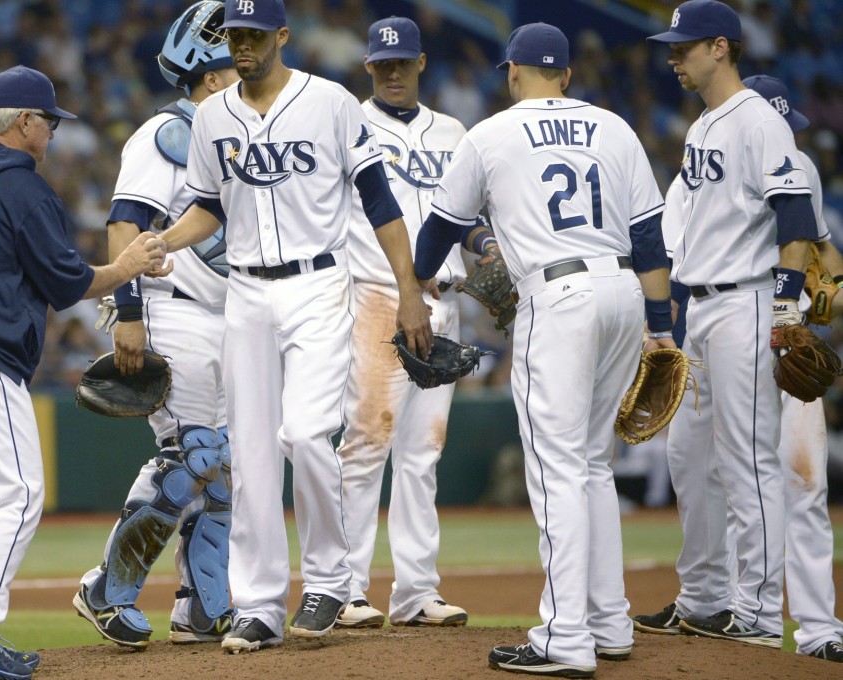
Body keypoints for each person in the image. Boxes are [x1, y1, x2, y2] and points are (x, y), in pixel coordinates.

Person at [153, 0, 433, 654]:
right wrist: (160, 241)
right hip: (245, 290)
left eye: (254, 34)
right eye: (234, 35)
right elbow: (206, 207)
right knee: (250, 454)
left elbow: (380, 199)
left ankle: (331, 577)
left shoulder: (330, 102)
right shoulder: (213, 115)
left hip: (317, 282)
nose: (242, 46)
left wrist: (408, 287)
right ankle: (259, 606)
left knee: (305, 433)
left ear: (280, 35)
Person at [413, 22, 673, 677]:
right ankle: (609, 622)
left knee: (556, 469)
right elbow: (648, 240)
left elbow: (435, 235)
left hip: (556, 300)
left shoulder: (491, 133)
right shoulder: (614, 127)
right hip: (621, 294)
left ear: (511, 73)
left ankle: (565, 637)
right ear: (567, 75)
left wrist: (432, 269)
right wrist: (663, 326)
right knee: (590, 466)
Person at [0, 65, 166, 680]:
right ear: (23, 121)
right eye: (47, 122)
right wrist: (126, 263)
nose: (51, 134)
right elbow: (69, 283)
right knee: (19, 495)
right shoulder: (22, 186)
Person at [633, 0, 819, 650]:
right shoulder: (703, 126)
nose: (672, 58)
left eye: (683, 47)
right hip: (702, 310)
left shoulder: (759, 123)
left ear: (720, 46)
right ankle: (708, 598)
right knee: (688, 456)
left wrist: (787, 307)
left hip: (744, 301)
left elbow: (795, 218)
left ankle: (761, 614)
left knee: (748, 462)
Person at [73, 1, 241, 649]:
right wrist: (130, 311)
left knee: (226, 470)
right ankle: (105, 589)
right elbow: (126, 220)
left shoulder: (238, 134)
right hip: (171, 309)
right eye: (237, 61)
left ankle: (203, 606)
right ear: (213, 74)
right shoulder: (166, 131)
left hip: (228, 318)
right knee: (191, 456)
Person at [334, 16, 477, 631]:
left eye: (403, 62)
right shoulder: (346, 125)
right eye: (382, 64)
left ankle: (417, 592)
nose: (393, 72)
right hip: (374, 296)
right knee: (367, 443)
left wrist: (489, 248)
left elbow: (471, 213)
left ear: (421, 64)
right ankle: (340, 589)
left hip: (443, 297)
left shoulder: (453, 131)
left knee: (423, 454)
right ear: (368, 67)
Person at [732, 76, 841, 662]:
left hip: (789, 334)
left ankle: (820, 628)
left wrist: (832, 294)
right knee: (741, 480)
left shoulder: (801, 168)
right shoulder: (717, 160)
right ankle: (745, 612)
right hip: (732, 324)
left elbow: (824, 251)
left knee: (803, 482)